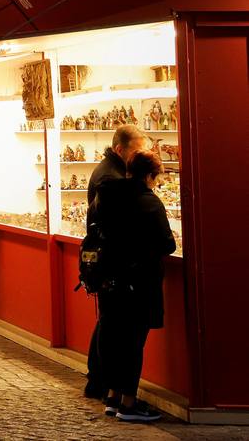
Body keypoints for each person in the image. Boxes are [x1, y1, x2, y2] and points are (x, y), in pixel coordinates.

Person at [93, 150, 175, 423]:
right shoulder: (148, 202)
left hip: (110, 279)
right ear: (150, 176)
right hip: (138, 282)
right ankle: (129, 404)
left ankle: (113, 396)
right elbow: (167, 244)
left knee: (115, 339)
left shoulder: (108, 195)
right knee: (133, 343)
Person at [83, 124, 151, 399]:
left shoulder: (110, 171)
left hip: (107, 260)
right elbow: (114, 224)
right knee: (114, 329)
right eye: (137, 150)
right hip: (114, 263)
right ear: (120, 149)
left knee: (107, 325)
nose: (141, 155)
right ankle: (107, 385)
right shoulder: (112, 179)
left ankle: (100, 381)